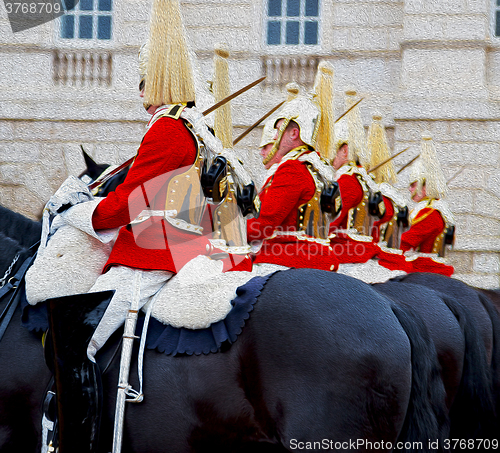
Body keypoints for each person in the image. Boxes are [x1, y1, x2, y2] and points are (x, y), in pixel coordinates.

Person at [42, 0, 252, 451]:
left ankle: (76, 441)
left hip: (149, 256)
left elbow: (128, 204)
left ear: (157, 81)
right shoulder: (193, 130)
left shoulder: (166, 129)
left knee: (76, 340)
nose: (140, 93)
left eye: (143, 83)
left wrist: (77, 214)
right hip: (185, 247)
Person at [247, 63, 340, 271]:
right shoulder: (316, 169)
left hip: (290, 258)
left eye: (278, 129)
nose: (273, 136)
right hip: (319, 257)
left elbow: (264, 225)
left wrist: (221, 230)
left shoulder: (292, 169)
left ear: (293, 133)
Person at [399, 133, 455, 275]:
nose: (410, 189)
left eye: (413, 185)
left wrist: (385, 248)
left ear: (425, 187)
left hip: (426, 268)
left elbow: (408, 241)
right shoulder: (433, 208)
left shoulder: (430, 213)